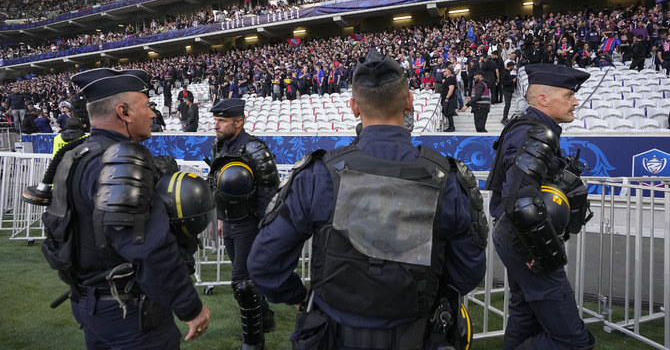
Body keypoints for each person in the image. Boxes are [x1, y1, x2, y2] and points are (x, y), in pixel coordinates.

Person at [247, 49, 488, 349]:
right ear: (409, 101)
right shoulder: (449, 179)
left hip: (333, 334)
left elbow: (264, 263)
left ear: (354, 108)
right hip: (418, 334)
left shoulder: (318, 176)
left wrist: (301, 298)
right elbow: (468, 271)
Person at [55, 68, 210, 348]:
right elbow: (148, 246)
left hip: (91, 303)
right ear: (124, 112)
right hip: (130, 313)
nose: (153, 114)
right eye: (146, 106)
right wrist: (190, 307)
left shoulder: (77, 155)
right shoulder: (120, 161)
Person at [486, 64, 595, 350]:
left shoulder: (533, 129)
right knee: (572, 341)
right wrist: (543, 251)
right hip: (526, 241)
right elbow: (521, 201)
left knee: (525, 317)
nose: (575, 101)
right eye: (569, 94)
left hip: (517, 237)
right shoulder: (534, 133)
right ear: (543, 99)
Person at [208, 98, 279, 350]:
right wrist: (219, 217)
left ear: (239, 121)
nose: (215, 125)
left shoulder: (255, 149)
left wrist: (264, 229)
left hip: (250, 225)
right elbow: (215, 184)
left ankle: (253, 342)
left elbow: (270, 194)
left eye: (221, 120)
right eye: (215, 120)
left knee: (242, 282)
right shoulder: (219, 145)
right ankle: (267, 319)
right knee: (245, 278)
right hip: (228, 222)